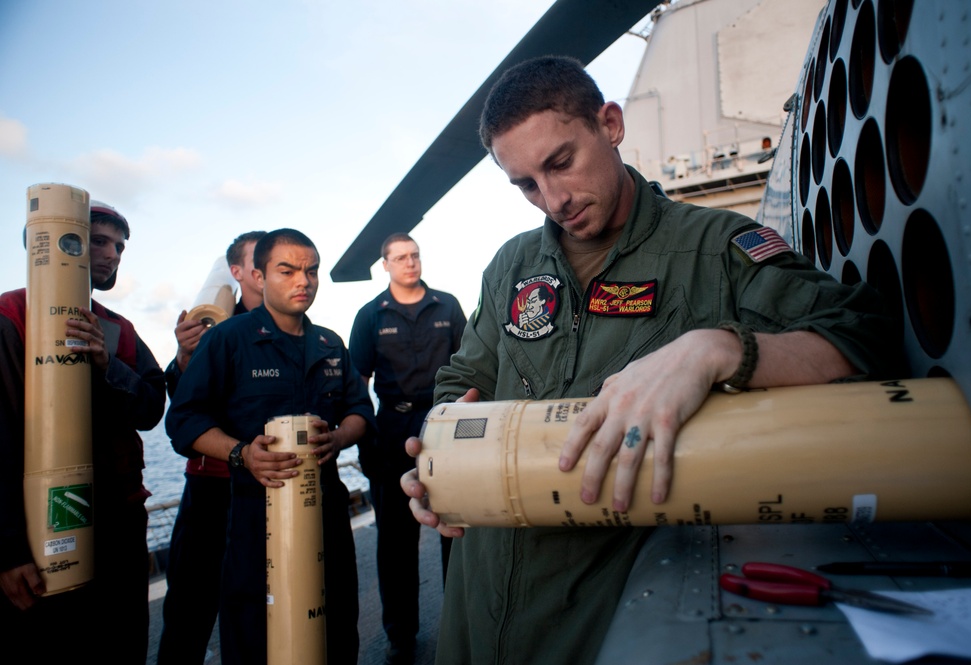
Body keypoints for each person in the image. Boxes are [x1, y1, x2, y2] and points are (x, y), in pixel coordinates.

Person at [401, 56, 898, 664]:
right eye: (527, 184)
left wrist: (721, 349)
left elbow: (863, 334)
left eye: (561, 163)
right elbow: (464, 378)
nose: (552, 200)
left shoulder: (713, 250)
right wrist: (441, 453)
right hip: (479, 605)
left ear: (609, 124)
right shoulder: (512, 265)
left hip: (607, 610)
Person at [166, 228, 375, 665]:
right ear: (259, 276)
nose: (304, 280)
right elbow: (185, 421)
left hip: (325, 510)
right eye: (288, 270)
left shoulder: (330, 344)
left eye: (311, 271)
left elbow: (360, 410)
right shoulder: (228, 340)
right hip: (252, 513)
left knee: (335, 624)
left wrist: (339, 437)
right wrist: (243, 453)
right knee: (254, 632)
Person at [0, 200, 166, 663]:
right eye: (98, 241)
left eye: (119, 245)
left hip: (119, 524)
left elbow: (152, 409)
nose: (113, 254)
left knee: (121, 643)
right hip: (38, 529)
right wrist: (9, 551)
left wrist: (105, 365)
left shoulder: (118, 329)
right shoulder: (9, 316)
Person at [348, 232, 466, 664]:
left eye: (414, 255)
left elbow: (471, 368)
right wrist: (364, 446)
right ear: (386, 265)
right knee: (396, 542)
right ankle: (401, 636)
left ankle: (460, 618)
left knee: (456, 527)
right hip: (392, 428)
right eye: (400, 257)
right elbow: (356, 385)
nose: (410, 263)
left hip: (445, 426)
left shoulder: (448, 306)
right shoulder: (369, 316)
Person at [158, 230, 266, 665]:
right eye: (258, 259)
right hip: (210, 485)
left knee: (258, 608)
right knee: (189, 605)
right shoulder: (209, 326)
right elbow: (183, 409)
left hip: (266, 483)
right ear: (236, 272)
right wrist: (185, 358)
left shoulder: (296, 328)